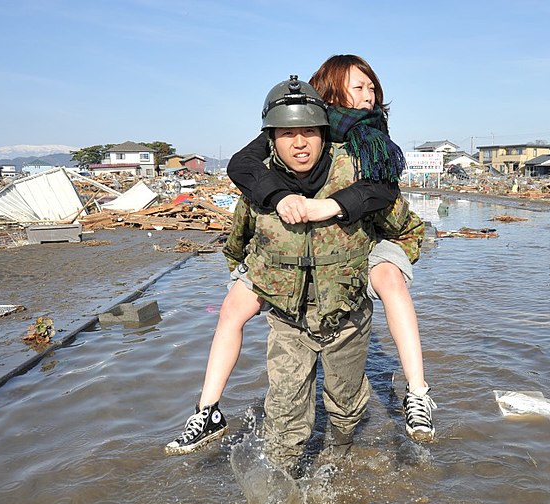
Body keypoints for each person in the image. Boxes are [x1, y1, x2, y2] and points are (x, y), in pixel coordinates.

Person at [166, 77, 425, 466]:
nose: (299, 143)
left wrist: (385, 270)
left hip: (347, 319)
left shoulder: (359, 175)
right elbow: (237, 245)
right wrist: (254, 279)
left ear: (325, 134)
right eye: (288, 133)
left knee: (347, 409)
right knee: (284, 418)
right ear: (272, 138)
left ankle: (340, 459)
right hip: (288, 322)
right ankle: (280, 493)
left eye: (308, 132)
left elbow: (409, 229)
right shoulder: (258, 187)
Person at [225, 55, 435, 441]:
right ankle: (208, 410)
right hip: (312, 249)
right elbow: (242, 164)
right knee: (235, 308)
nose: (369, 96)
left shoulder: (371, 134)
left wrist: (332, 205)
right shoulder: (303, 118)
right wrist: (279, 196)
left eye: (373, 87)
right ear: (333, 87)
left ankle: (417, 392)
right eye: (359, 87)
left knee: (389, 281)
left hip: (372, 233)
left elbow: (384, 189)